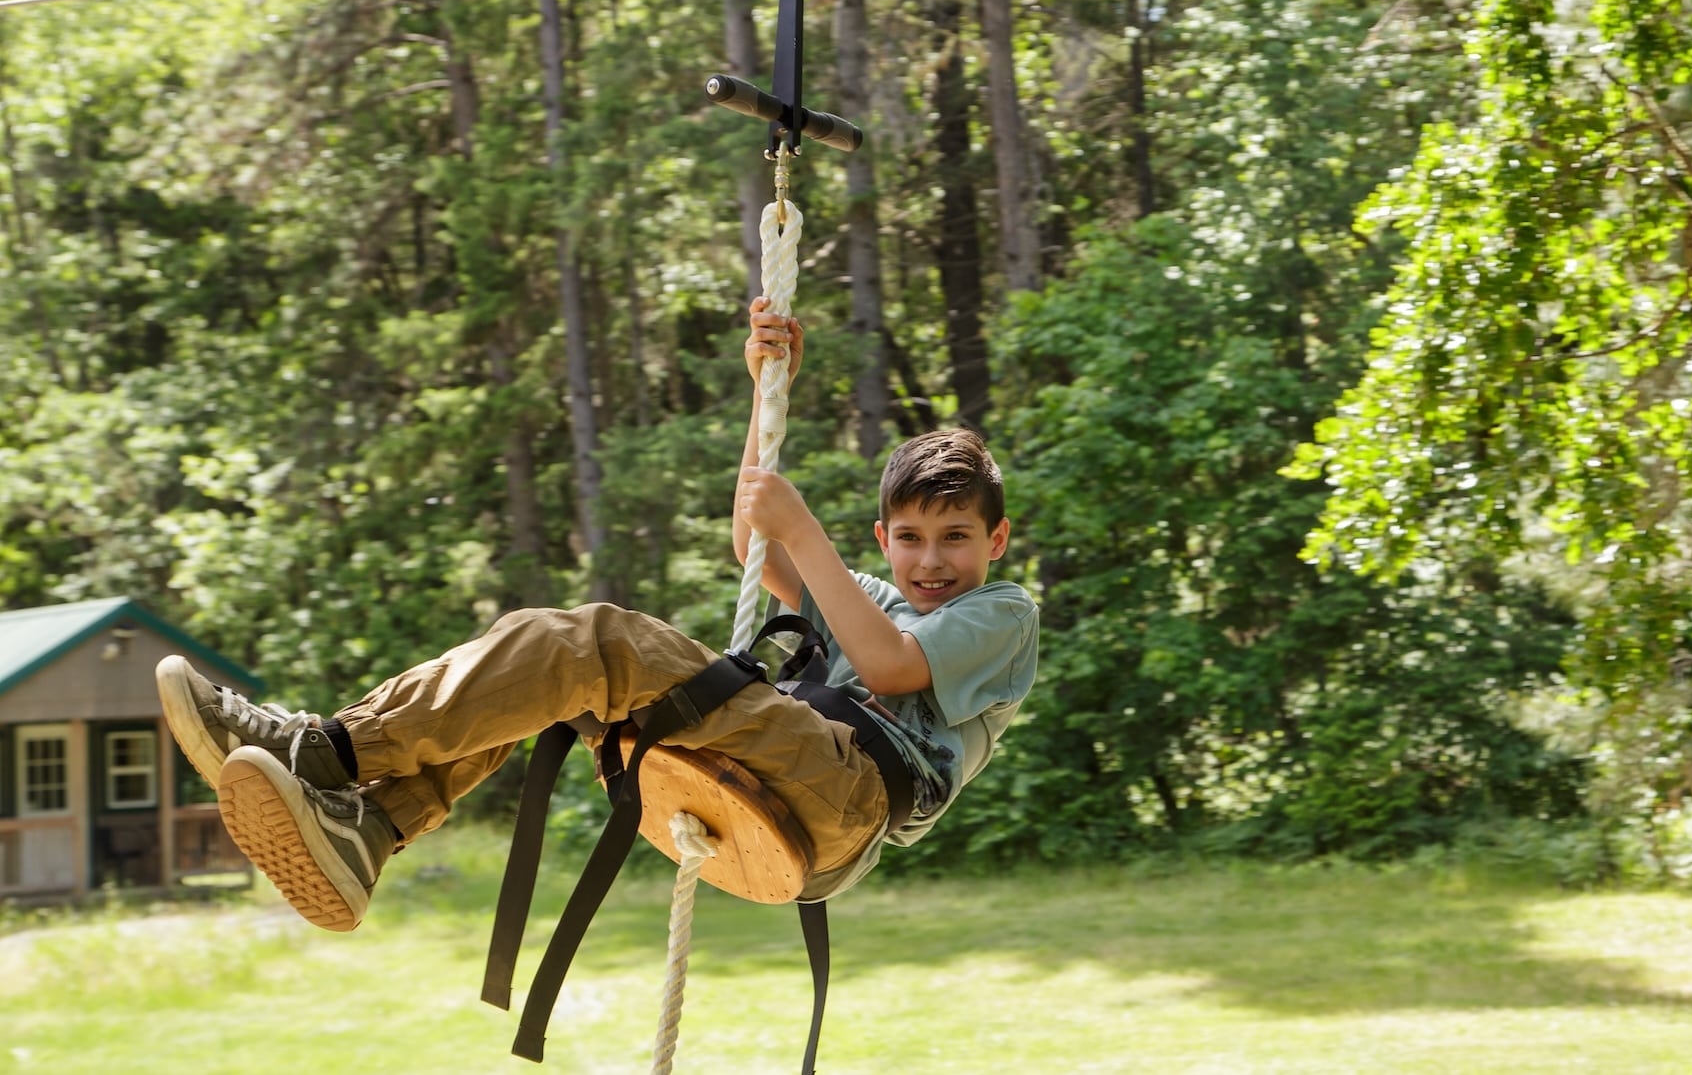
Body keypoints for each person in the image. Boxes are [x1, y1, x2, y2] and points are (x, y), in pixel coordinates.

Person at [156, 297, 1040, 930]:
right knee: (551, 665)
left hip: (845, 794)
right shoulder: (874, 595)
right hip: (792, 762)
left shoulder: (1003, 613)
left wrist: (800, 523)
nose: (933, 561)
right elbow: (756, 548)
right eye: (914, 538)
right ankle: (373, 827)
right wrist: (766, 395)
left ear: (994, 541)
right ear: (885, 539)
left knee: (597, 640)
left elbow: (888, 668)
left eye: (956, 537)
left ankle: (325, 750)